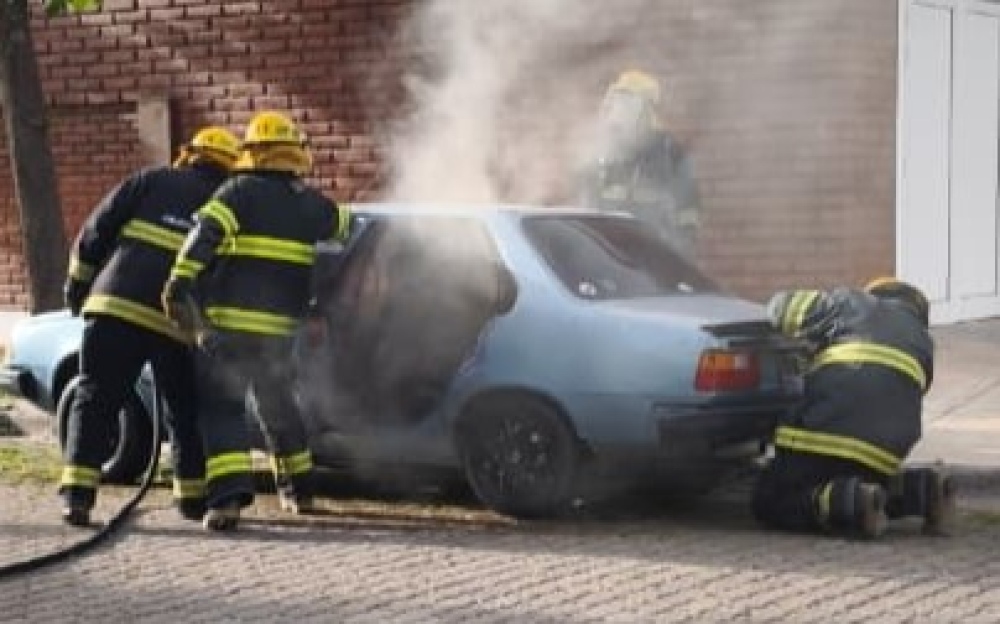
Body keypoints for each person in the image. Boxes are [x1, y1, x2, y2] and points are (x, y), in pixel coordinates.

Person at [161, 110, 351, 532]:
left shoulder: (237, 192)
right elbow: (349, 230)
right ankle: (301, 492)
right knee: (279, 406)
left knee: (222, 409)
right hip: (281, 333)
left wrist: (179, 281)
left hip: (229, 328)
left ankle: (228, 502)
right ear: (294, 154)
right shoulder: (311, 204)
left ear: (253, 153)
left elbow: (204, 234)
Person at [59, 126, 240, 527]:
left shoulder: (149, 180)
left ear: (189, 155)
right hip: (176, 321)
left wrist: (77, 285)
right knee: (183, 408)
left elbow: (96, 230)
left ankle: (77, 496)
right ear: (231, 167)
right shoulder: (227, 202)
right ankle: (191, 500)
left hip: (115, 306)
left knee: (96, 398)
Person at [752, 277, 955, 539]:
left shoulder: (849, 302)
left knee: (771, 500)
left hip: (826, 429)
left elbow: (783, 308)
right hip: (885, 449)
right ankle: (924, 490)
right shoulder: (923, 342)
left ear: (875, 294)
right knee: (859, 482)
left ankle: (856, 506)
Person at [579, 69, 700, 258]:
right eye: (618, 102)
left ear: (647, 109)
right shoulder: (602, 152)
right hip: (609, 256)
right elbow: (586, 207)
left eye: (628, 103)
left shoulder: (670, 154)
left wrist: (679, 257)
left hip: (655, 258)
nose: (620, 111)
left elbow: (687, 215)